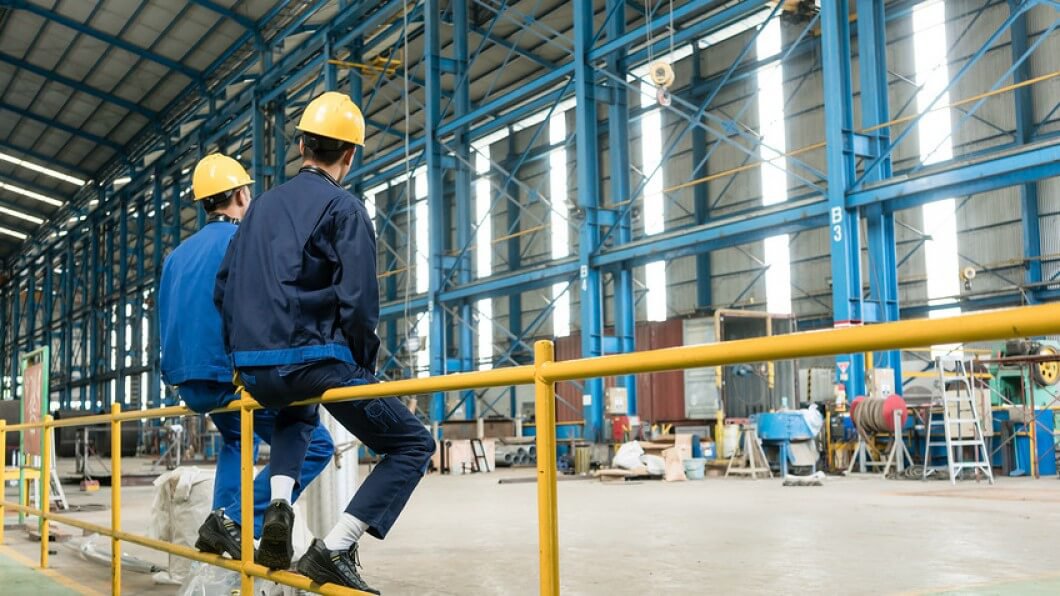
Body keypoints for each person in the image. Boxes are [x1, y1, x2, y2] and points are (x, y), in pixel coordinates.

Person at [214, 92, 435, 593]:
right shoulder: (344, 208)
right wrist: (363, 367)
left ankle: (278, 509)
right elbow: (358, 302)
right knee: (413, 444)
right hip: (315, 363)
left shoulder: (258, 209)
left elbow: (223, 288)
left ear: (300, 146)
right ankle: (335, 548)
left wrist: (239, 358)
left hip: (254, 370)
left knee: (296, 413)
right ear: (350, 155)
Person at [159, 153, 335, 560]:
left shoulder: (176, 256)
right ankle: (236, 519)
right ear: (241, 194)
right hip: (229, 376)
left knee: (237, 437)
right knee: (315, 443)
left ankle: (221, 523)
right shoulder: (244, 241)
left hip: (189, 381)